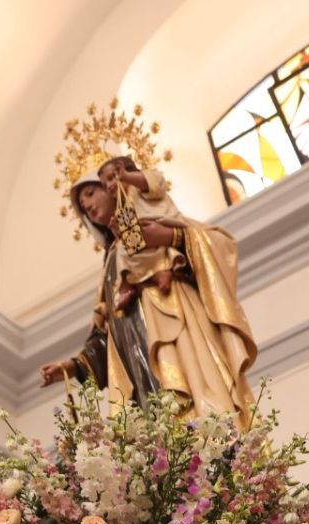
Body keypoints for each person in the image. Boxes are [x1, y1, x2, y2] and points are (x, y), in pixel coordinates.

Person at [39, 158, 256, 422]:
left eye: (90, 193)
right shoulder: (110, 261)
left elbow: (222, 245)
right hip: (135, 355)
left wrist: (169, 237)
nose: (87, 205)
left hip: (176, 323)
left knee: (196, 405)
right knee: (155, 428)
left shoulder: (156, 219)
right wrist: (74, 367)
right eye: (82, 207)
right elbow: (109, 331)